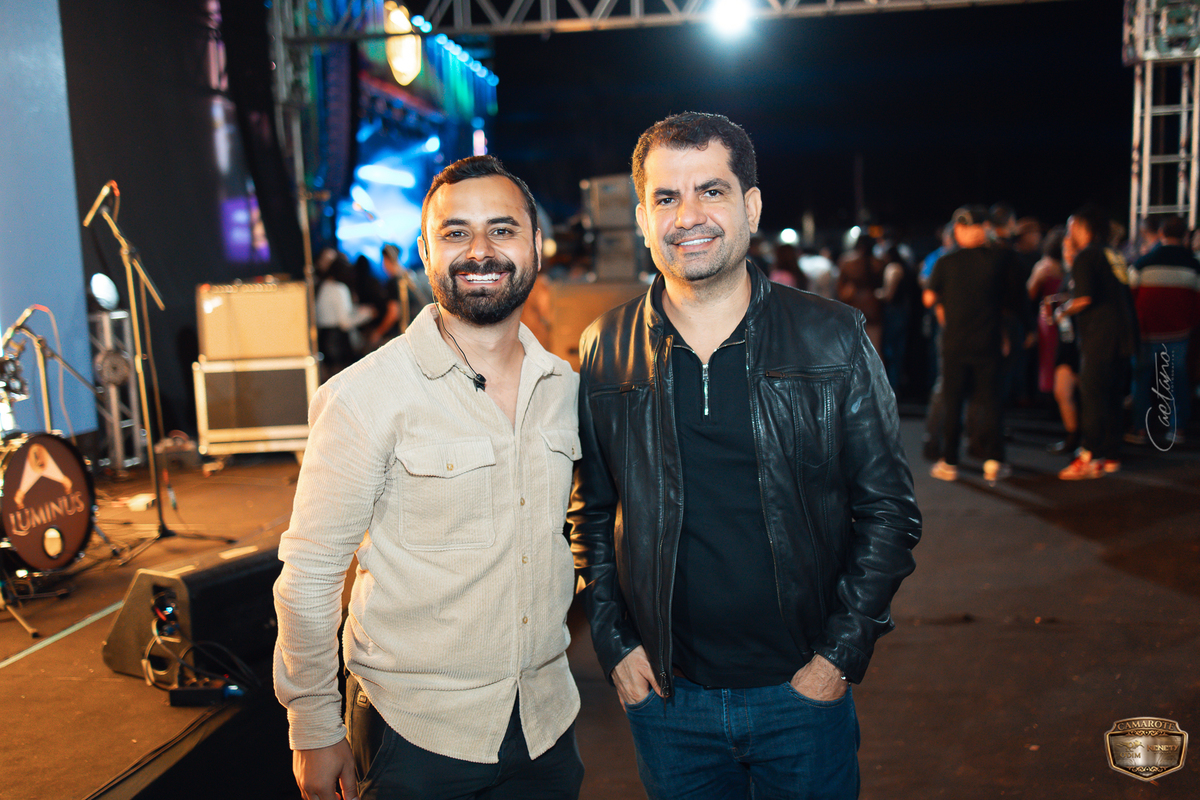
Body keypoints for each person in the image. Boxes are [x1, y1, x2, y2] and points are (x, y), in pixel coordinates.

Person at [569, 112, 921, 800]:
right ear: (642, 218)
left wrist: (837, 658)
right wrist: (614, 644)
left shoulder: (833, 337)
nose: (688, 216)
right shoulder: (604, 348)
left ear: (751, 207)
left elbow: (889, 512)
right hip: (667, 702)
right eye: (666, 197)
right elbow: (591, 511)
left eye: (712, 190)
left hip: (802, 696)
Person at [274, 155, 585, 800]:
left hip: (548, 725)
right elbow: (309, 573)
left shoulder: (564, 388)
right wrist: (313, 724)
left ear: (535, 245)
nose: (480, 250)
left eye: (502, 229)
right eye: (455, 232)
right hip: (415, 738)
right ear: (425, 251)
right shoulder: (364, 396)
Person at [924, 206, 1024, 483]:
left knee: (953, 400)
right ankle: (994, 460)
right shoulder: (1001, 259)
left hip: (955, 341)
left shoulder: (946, 261)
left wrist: (945, 305)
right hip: (989, 339)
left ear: (960, 230)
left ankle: (950, 460)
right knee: (991, 401)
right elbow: (1011, 302)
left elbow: (929, 298)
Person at [1055, 206, 1137, 479]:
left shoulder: (1086, 255)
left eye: (1071, 227)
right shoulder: (1113, 253)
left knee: (1093, 396)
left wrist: (1061, 311)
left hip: (1100, 336)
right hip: (1123, 336)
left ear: (1083, 227)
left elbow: (1083, 298)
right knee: (1113, 396)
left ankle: (1089, 455)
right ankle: (1111, 454)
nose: (1069, 234)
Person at [1127, 215, 1200, 446]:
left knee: (1141, 381)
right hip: (1179, 334)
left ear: (1161, 234)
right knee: (1177, 382)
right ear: (1185, 236)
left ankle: (1140, 429)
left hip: (1145, 334)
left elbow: (1129, 300)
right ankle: (1177, 430)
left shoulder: (1142, 264)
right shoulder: (1194, 267)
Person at [314, 247, 376, 380]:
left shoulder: (323, 286)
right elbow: (345, 323)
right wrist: (368, 313)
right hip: (338, 344)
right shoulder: (339, 288)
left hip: (324, 341)